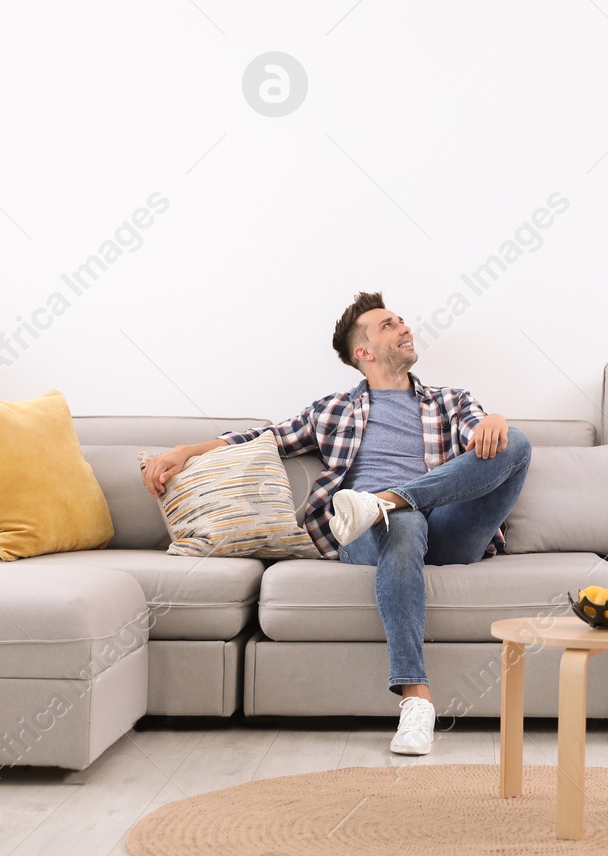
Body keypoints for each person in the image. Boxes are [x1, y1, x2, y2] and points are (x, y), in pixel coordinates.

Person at [141, 291, 531, 755]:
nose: (405, 327)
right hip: (368, 532)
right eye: (389, 325)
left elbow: (484, 443)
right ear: (363, 353)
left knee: (518, 443)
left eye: (401, 320)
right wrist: (184, 451)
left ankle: (387, 500)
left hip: (449, 527)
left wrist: (497, 420)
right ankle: (416, 700)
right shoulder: (331, 410)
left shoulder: (451, 400)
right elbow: (263, 438)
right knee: (400, 524)